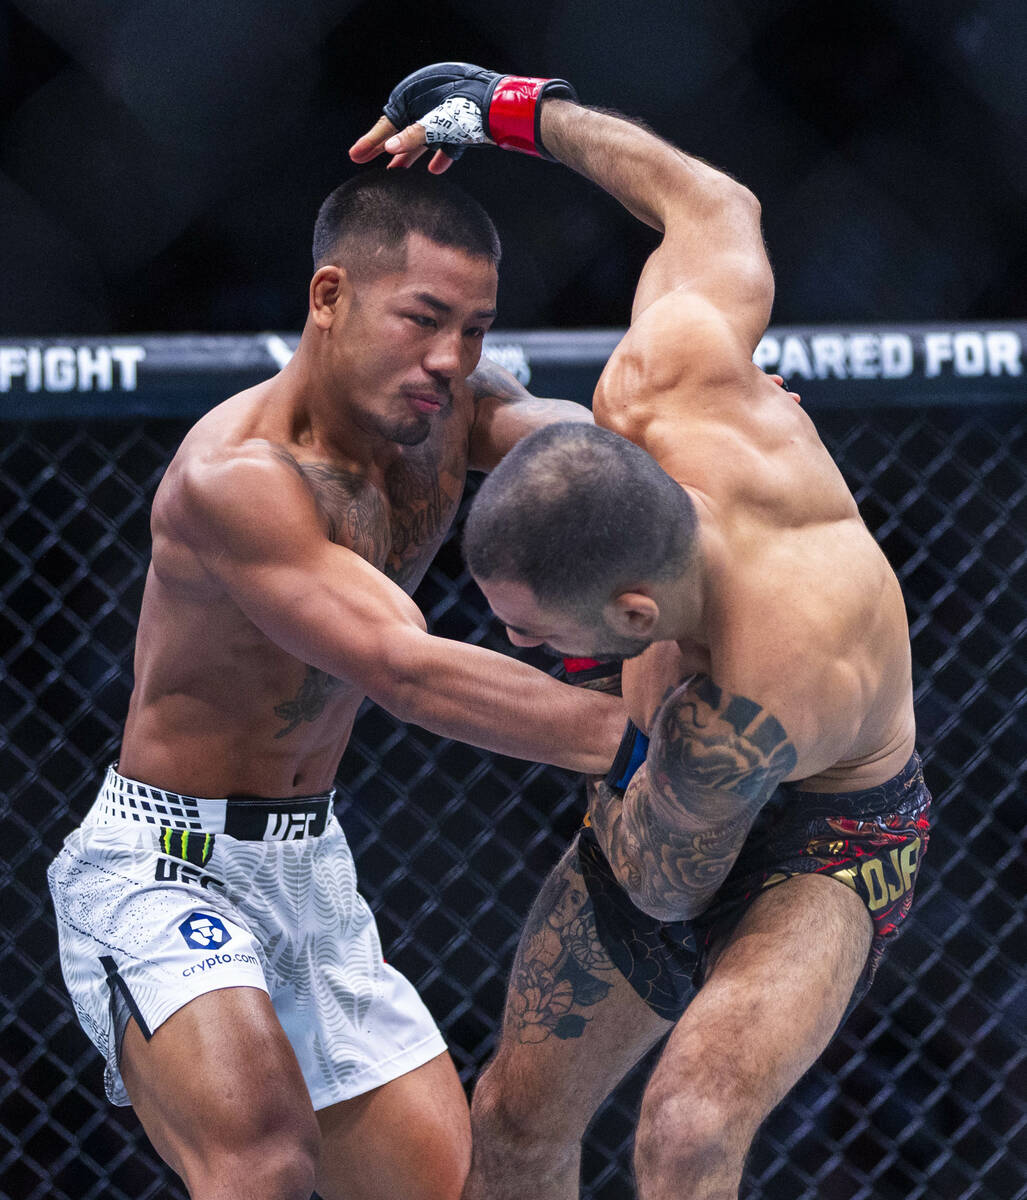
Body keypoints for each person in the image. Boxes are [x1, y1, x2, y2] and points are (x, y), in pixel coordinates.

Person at [360, 64, 932, 1199]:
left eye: (537, 635)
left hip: (826, 845)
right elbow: (713, 205)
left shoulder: (764, 684)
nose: (521, 646)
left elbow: (669, 893)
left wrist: (582, 702)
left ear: (628, 616)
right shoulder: (668, 376)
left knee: (686, 1122)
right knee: (513, 1125)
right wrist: (512, 109)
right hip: (665, 786)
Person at [46, 168, 630, 1200]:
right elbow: (404, 669)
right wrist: (651, 746)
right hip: (165, 864)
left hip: (312, 871)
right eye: (424, 320)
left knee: (462, 1186)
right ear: (329, 298)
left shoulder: (446, 414)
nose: (448, 359)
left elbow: (589, 457)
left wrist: (721, 439)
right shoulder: (236, 480)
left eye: (476, 331)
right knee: (262, 1159)